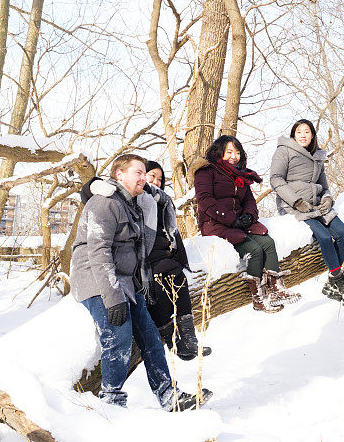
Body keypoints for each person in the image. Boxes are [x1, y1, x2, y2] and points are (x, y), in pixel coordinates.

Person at [71, 154, 211, 411]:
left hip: (126, 282)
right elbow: (98, 253)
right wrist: (113, 298)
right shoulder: (104, 203)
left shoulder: (134, 205)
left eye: (145, 173)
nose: (144, 178)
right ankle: (111, 402)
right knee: (118, 335)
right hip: (95, 279)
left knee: (150, 337)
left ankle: (169, 396)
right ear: (119, 175)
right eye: (137, 172)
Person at [191, 135, 301, 313]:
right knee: (255, 250)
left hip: (239, 222)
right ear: (219, 152)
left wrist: (249, 216)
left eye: (237, 152)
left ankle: (275, 288)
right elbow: (205, 201)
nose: (234, 156)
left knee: (267, 242)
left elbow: (250, 201)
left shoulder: (239, 175)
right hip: (216, 223)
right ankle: (258, 298)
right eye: (229, 152)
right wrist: (230, 219)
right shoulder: (206, 171)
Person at [270, 119, 344, 308]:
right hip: (293, 205)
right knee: (324, 238)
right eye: (299, 132)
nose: (303, 135)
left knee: (343, 234)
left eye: (307, 132)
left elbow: (324, 186)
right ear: (293, 135)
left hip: (318, 206)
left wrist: (328, 199)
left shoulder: (318, 156)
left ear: (312, 135)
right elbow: (275, 179)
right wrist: (296, 201)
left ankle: (332, 281)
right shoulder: (284, 151)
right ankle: (339, 282)